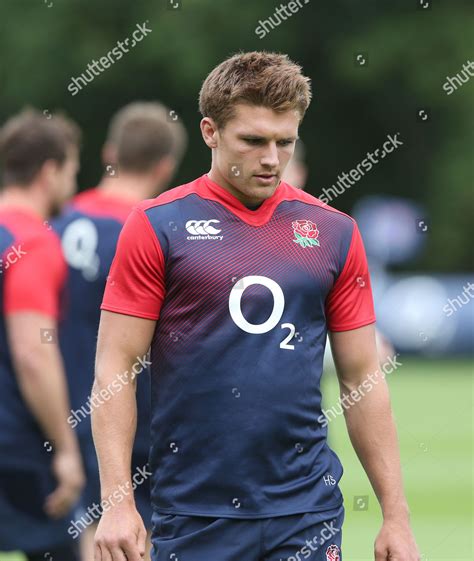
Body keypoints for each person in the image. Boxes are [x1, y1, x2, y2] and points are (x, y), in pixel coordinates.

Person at [92, 51, 420, 561]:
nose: (271, 158)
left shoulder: (334, 232)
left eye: (284, 142)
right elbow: (115, 366)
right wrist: (117, 501)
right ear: (210, 132)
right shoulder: (157, 225)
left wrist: (395, 516)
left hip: (306, 511)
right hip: (193, 512)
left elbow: (361, 378)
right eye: (253, 141)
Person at [53, 101, 187, 561]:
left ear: (110, 151)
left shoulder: (55, 222)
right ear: (167, 166)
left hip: (56, 410)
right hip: (132, 418)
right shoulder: (156, 233)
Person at [0, 108, 84, 560]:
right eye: (72, 168)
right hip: (15, 446)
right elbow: (33, 351)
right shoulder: (30, 240)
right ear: (49, 171)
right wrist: (65, 449)